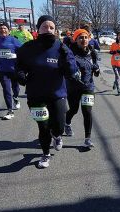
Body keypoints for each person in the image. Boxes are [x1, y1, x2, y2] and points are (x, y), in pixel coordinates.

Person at [15, 15, 80, 168]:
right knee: (43, 126)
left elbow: (72, 71)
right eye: (45, 26)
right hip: (36, 95)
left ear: (56, 30)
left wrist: (67, 58)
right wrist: (20, 74)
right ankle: (45, 154)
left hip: (57, 94)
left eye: (52, 27)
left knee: (59, 125)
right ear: (38, 28)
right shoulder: (28, 48)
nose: (49, 29)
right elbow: (19, 65)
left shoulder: (61, 47)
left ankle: (57, 136)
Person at [64, 29, 100, 148]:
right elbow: (66, 68)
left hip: (88, 87)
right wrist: (71, 74)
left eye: (85, 37)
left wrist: (96, 70)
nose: (83, 40)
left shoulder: (93, 52)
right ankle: (67, 123)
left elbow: (95, 66)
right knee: (74, 109)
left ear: (89, 38)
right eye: (80, 38)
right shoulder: (70, 53)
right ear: (76, 39)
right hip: (73, 87)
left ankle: (87, 139)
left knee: (87, 111)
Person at [0, 22, 22, 120]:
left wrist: (16, 56)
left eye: (4, 28)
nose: (3, 30)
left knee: (15, 88)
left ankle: (16, 98)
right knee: (6, 89)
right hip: (2, 70)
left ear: (8, 30)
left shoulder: (14, 40)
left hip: (14, 69)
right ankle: (10, 111)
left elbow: (22, 51)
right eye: (1, 28)